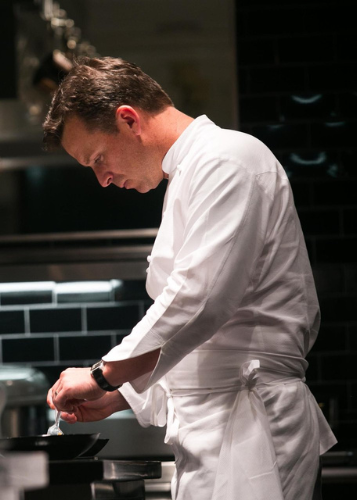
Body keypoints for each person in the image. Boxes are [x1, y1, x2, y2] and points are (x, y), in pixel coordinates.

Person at [42, 56, 336, 500]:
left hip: (250, 430)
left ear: (128, 119)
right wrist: (122, 396)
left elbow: (198, 302)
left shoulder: (228, 159)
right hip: (219, 431)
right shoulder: (191, 172)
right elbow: (204, 342)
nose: (102, 179)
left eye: (97, 158)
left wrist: (104, 376)